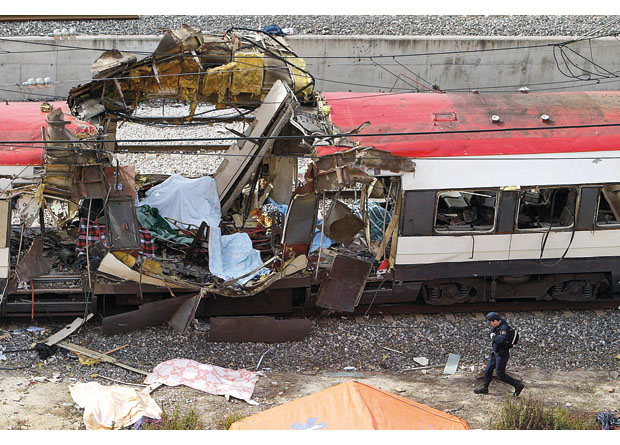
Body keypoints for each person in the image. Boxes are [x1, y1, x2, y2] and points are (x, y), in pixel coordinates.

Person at [473, 312, 525, 396]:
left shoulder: (504, 328)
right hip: (496, 352)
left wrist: (493, 337)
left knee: (500, 374)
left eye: (490, 322)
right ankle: (484, 388)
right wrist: (494, 337)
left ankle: (518, 385)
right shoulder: (496, 327)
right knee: (488, 369)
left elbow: (502, 340)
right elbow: (491, 334)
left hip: (502, 354)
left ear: (496, 321)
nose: (490, 324)